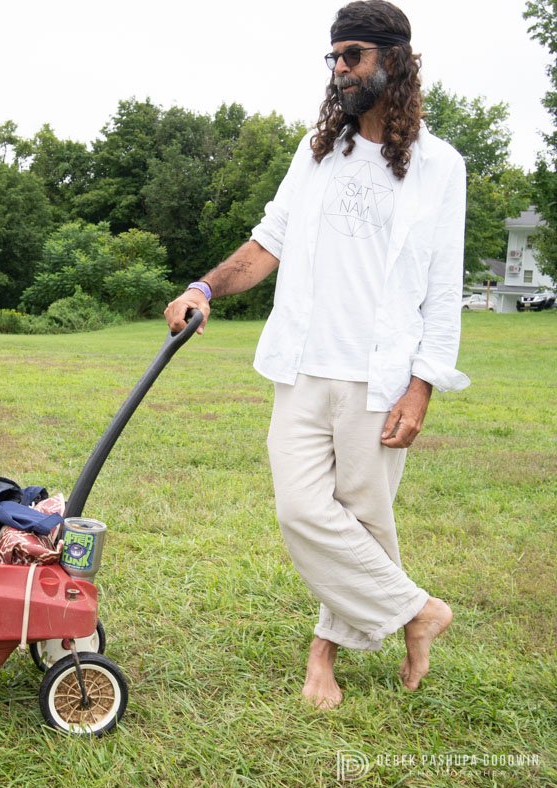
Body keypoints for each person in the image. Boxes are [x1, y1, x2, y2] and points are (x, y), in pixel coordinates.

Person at [165, 0, 466, 709]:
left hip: (379, 380)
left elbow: (444, 291)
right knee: (303, 513)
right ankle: (418, 611)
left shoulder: (439, 166)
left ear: (395, 59)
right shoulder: (318, 153)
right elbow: (266, 242)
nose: (339, 70)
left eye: (353, 55)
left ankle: (322, 658)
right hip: (301, 369)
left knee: (362, 523)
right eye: (333, 57)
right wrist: (203, 286)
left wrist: (421, 386)